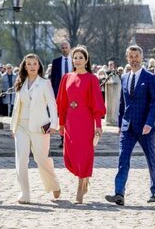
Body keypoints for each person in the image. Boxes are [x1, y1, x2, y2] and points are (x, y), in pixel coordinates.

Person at [105, 45, 155, 206]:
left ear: (141, 58)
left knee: (151, 158)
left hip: (145, 127)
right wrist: (120, 124)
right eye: (131, 57)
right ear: (127, 58)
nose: (134, 60)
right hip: (127, 127)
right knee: (123, 159)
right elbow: (123, 103)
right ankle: (119, 193)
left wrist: (150, 123)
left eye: (136, 56)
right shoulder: (124, 78)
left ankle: (154, 192)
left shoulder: (150, 78)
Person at [56, 46, 106, 204]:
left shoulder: (92, 79)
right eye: (75, 57)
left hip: (85, 121)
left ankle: (80, 188)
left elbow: (97, 105)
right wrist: (61, 124)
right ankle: (84, 180)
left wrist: (98, 125)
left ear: (86, 60)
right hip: (70, 121)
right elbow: (62, 103)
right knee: (69, 156)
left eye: (80, 57)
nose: (77, 60)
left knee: (84, 155)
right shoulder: (66, 77)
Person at [10, 53, 61, 204]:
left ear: (39, 66)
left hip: (40, 127)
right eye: (28, 64)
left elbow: (52, 104)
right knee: (21, 160)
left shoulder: (45, 83)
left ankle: (54, 184)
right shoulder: (20, 82)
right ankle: (24, 193)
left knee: (41, 159)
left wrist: (53, 124)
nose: (31, 66)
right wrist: (13, 127)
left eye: (34, 64)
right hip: (21, 126)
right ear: (24, 66)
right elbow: (16, 107)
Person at [51, 41, 72, 148]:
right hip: (60, 92)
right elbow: (53, 79)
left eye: (66, 47)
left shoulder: (75, 61)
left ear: (69, 48)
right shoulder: (56, 62)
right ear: (61, 49)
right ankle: (63, 139)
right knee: (62, 117)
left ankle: (71, 138)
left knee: (72, 116)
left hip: (73, 92)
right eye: (63, 47)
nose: (64, 49)